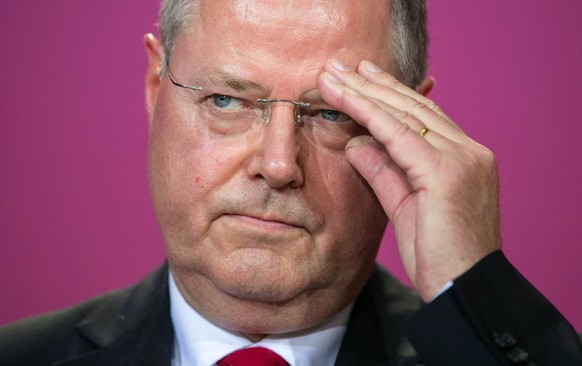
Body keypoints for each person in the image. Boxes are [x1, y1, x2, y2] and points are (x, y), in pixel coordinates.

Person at [0, 0, 580, 365]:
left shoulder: (483, 351)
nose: (278, 165)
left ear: (408, 128)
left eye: (329, 113)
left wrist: (475, 290)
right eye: (227, 100)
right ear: (157, 87)